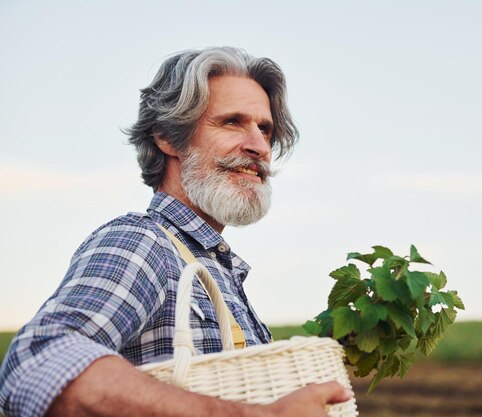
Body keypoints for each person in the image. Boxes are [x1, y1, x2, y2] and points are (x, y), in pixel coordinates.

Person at [0, 46, 352, 417]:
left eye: (264, 128)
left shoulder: (218, 271)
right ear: (167, 138)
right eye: (232, 121)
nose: (259, 146)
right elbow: (37, 362)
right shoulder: (144, 241)